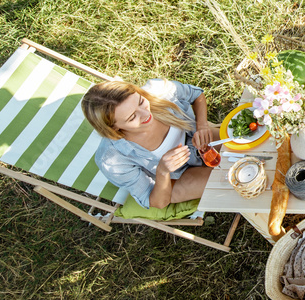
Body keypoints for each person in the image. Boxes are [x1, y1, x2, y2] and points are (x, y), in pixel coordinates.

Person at [82, 79, 216, 210]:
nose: (146, 113)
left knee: (236, 147)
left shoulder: (157, 90)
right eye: (132, 117)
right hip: (175, 178)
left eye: (140, 102)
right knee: (226, 179)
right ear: (114, 128)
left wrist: (202, 126)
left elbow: (196, 94)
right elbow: (158, 202)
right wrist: (162, 171)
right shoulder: (112, 159)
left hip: (196, 141)